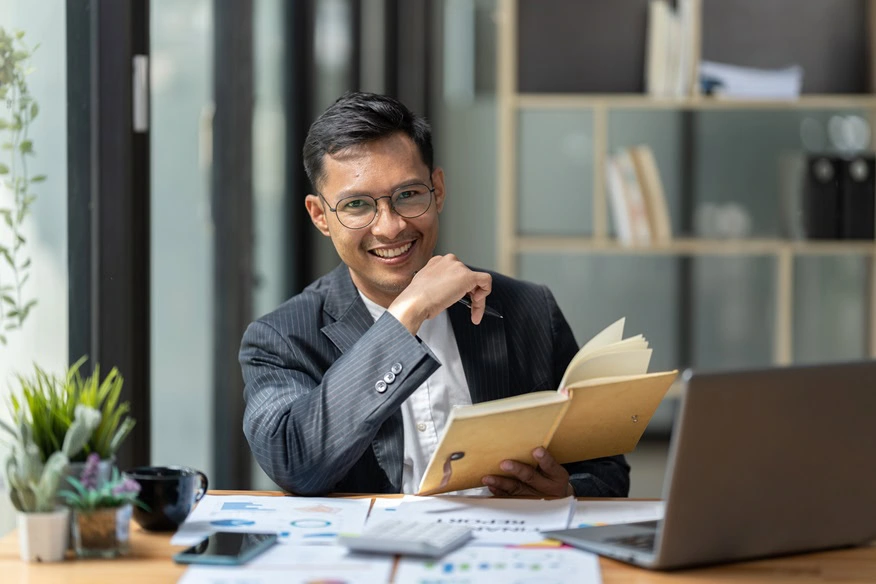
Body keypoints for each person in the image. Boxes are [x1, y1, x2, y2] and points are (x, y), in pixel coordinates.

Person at [239, 92, 630, 498]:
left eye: (408, 195)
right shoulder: (280, 338)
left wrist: (563, 491)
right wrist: (406, 314)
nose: (389, 227)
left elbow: (607, 469)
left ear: (437, 190)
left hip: (504, 553)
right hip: (368, 557)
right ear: (321, 216)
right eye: (357, 205)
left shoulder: (527, 310)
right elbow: (294, 462)